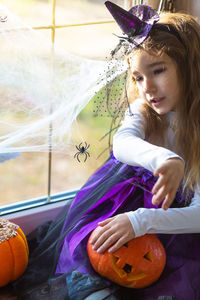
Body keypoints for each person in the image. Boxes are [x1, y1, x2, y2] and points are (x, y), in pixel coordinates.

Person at [13, 2, 200, 300]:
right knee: (87, 242)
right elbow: (123, 143)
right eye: (138, 78)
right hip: (121, 207)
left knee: (170, 275)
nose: (147, 87)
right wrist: (164, 157)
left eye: (158, 70)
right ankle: (93, 290)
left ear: (190, 66)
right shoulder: (144, 109)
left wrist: (140, 222)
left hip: (169, 226)